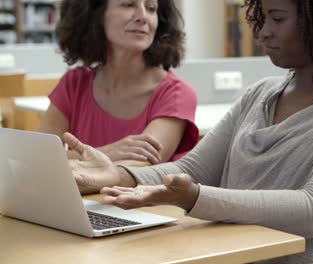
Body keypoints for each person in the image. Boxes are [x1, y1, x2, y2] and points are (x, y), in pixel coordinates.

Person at [65, 0, 313, 262]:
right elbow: (190, 170)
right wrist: (119, 175)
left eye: (277, 19)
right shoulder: (259, 94)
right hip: (233, 255)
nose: (263, 32)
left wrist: (197, 198)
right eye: (263, 19)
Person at [37, 0, 199, 167]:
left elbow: (138, 168)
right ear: (96, 15)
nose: (143, 16)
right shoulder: (74, 84)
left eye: (151, 8)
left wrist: (68, 160)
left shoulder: (176, 94)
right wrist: (109, 152)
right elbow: (36, 159)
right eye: (128, 5)